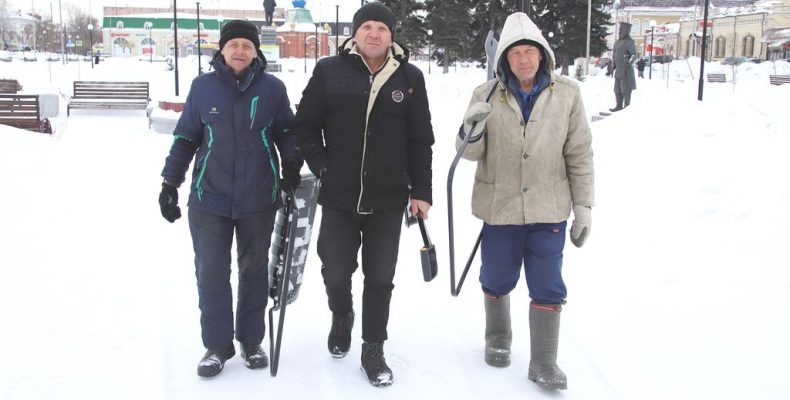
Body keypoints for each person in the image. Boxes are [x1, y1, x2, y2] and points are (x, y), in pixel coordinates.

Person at [293, 1, 434, 388]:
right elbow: (304, 127)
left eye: (383, 28)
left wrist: (422, 191)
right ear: (355, 33)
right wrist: (323, 167)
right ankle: (342, 315)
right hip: (339, 197)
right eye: (367, 26)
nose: (375, 33)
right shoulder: (329, 71)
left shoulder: (409, 77)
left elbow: (421, 141)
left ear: (392, 36)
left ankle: (373, 347)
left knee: (380, 278)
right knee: (335, 271)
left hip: (388, 199)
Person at [457, 12, 594, 391]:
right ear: (504, 58)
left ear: (543, 54)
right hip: (499, 205)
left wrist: (583, 206)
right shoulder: (484, 94)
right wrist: (472, 127)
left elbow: (580, 152)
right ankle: (498, 339)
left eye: (530, 51)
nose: (523, 59)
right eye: (515, 52)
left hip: (549, 205)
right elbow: (466, 154)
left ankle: (544, 361)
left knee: (548, 282)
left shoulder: (567, 94)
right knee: (497, 276)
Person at [158, 19, 302, 378]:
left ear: (256, 52)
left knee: (253, 272)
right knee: (211, 273)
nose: (240, 51)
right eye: (234, 44)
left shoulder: (272, 89)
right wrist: (169, 183)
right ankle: (217, 345)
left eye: (247, 46)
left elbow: (286, 132)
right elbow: (186, 138)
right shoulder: (202, 88)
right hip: (210, 200)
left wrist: (291, 167)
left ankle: (251, 341)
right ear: (221, 49)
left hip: (258, 198)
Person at [610, 22, 637, 111]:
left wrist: (628, 62)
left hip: (626, 71)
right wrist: (612, 65)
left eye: (622, 29)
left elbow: (634, 55)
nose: (620, 31)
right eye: (619, 29)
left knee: (625, 90)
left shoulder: (629, 42)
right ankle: (618, 105)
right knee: (617, 90)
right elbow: (614, 55)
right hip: (618, 70)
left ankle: (626, 107)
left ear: (627, 30)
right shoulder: (617, 42)